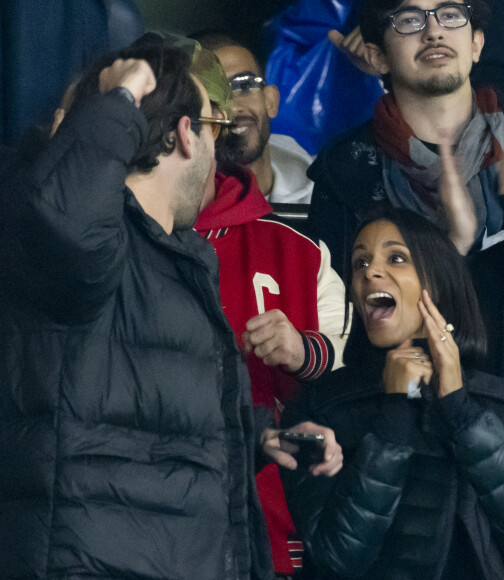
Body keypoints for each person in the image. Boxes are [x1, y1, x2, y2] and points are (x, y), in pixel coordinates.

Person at [307, 1, 504, 576]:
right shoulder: (346, 172)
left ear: (480, 43)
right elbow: (345, 331)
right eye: (409, 18)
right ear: (377, 53)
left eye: (451, 14)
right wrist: (448, 253)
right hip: (407, 463)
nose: (433, 29)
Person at [0, 42, 290, 579]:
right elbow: (64, 218)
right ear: (184, 133)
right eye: (212, 128)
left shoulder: (176, 259)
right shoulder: (86, 246)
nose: (220, 153)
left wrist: (254, 439)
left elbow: (147, 424)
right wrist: (119, 100)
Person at [281, 206, 504, 580]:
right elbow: (337, 555)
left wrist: (460, 408)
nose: (370, 272)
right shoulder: (315, 408)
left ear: (438, 284)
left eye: (395, 258)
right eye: (360, 263)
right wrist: (396, 409)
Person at [190, 44, 349, 578]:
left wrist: (303, 352)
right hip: (158, 532)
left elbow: (354, 378)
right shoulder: (122, 245)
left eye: (243, 85)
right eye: (210, 98)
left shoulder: (299, 249)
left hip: (280, 535)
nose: (229, 108)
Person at [198, 33, 316, 204]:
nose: (234, 107)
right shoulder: (178, 214)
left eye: (244, 86)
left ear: (271, 101)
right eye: (213, 97)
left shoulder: (323, 189)